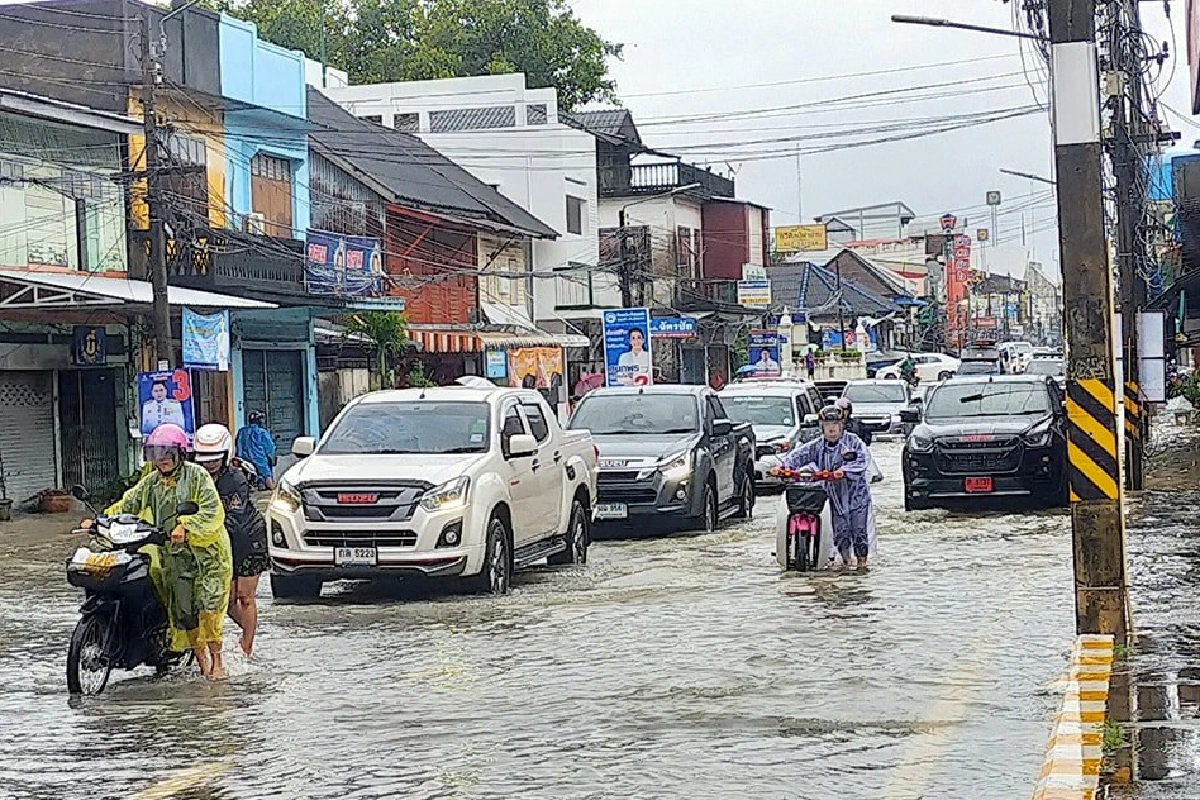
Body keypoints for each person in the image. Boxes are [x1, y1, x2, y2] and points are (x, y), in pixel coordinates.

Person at [94, 423, 232, 679]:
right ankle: (203, 664)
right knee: (184, 612)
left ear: (180, 453)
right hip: (175, 558)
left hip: (208, 558)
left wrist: (185, 525)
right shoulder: (152, 482)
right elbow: (129, 502)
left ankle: (218, 661)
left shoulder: (197, 476)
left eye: (167, 453)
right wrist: (102, 519)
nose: (162, 459)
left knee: (208, 607)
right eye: (156, 453)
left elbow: (212, 511)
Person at [195, 423, 269, 657]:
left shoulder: (236, 479)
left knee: (245, 597)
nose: (210, 464)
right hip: (219, 544)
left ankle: (247, 647)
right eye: (205, 459)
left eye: (215, 459)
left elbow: (234, 518)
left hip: (248, 540)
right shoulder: (195, 478)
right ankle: (248, 630)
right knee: (226, 602)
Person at [778, 406, 874, 570]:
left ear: (841, 425)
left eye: (835, 424)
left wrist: (844, 471)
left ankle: (862, 565)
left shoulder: (853, 442)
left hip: (856, 496)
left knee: (859, 531)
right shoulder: (817, 446)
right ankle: (846, 563)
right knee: (841, 532)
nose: (831, 428)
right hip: (833, 497)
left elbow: (861, 461)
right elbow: (796, 457)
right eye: (827, 424)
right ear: (821, 426)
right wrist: (782, 467)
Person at [236, 411, 278, 491]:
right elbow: (270, 448)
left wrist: (240, 457)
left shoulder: (241, 431)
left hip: (244, 459)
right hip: (260, 460)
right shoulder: (262, 432)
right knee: (268, 476)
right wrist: (271, 456)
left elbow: (239, 446)